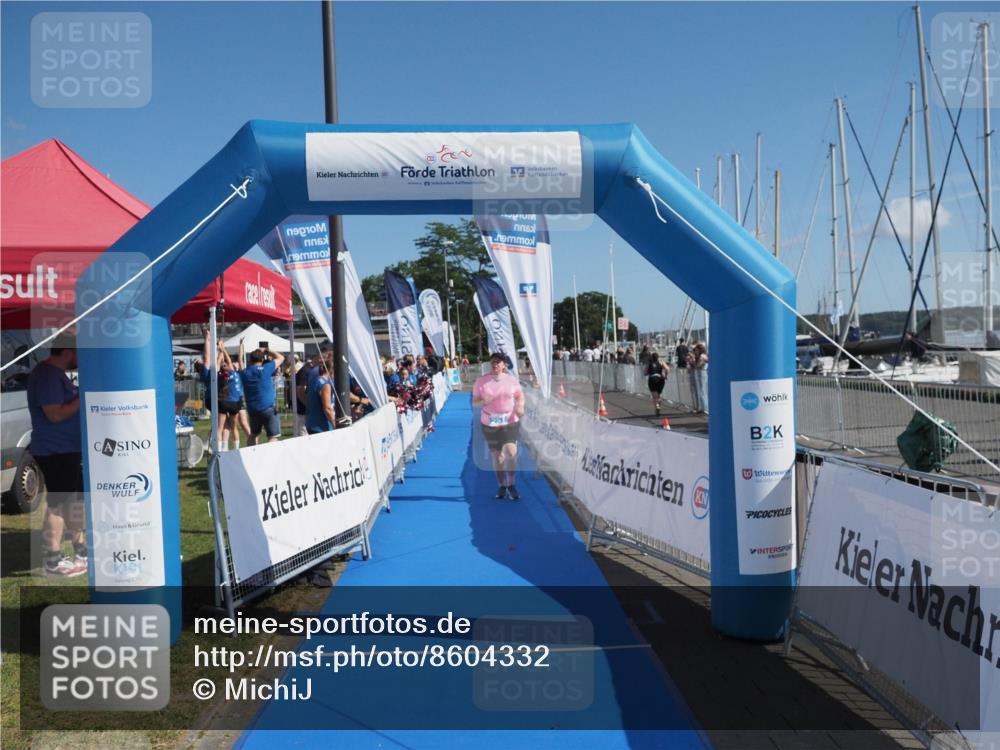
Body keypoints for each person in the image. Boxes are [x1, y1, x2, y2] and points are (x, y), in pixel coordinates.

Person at [27, 342, 87, 577]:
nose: (80, 359)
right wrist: (83, 395)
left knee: (73, 502)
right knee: (58, 504)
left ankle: (81, 550)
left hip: (66, 449)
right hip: (55, 451)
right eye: (79, 353)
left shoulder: (55, 374)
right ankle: (53, 560)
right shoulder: (47, 375)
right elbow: (55, 414)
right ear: (67, 351)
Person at [472, 352, 525, 500]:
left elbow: (520, 396)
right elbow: (474, 402)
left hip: (510, 420)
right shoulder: (481, 381)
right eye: (493, 362)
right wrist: (483, 402)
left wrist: (520, 406)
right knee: (498, 457)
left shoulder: (512, 380)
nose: (495, 364)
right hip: (490, 422)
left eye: (498, 362)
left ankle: (512, 484)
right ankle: (502, 485)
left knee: (511, 451)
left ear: (504, 365)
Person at [240, 339, 284, 445]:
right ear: (262, 359)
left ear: (250, 360)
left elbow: (241, 362)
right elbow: (281, 358)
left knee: (253, 434)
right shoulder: (266, 368)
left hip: (253, 410)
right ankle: (271, 458)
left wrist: (240, 347)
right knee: (273, 437)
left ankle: (251, 454)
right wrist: (268, 350)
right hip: (268, 408)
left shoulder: (245, 373)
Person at [305, 352, 336, 434]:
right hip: (322, 427)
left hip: (311, 424)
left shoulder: (314, 380)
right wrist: (335, 425)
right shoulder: (325, 385)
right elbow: (327, 408)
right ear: (332, 371)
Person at [691, 341, 709, 413]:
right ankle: (702, 407)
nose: (695, 352)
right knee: (701, 390)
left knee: (702, 391)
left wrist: (693, 359)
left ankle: (705, 408)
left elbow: (698, 366)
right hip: (700, 373)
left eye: (696, 350)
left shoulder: (702, 356)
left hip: (702, 373)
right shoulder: (703, 356)